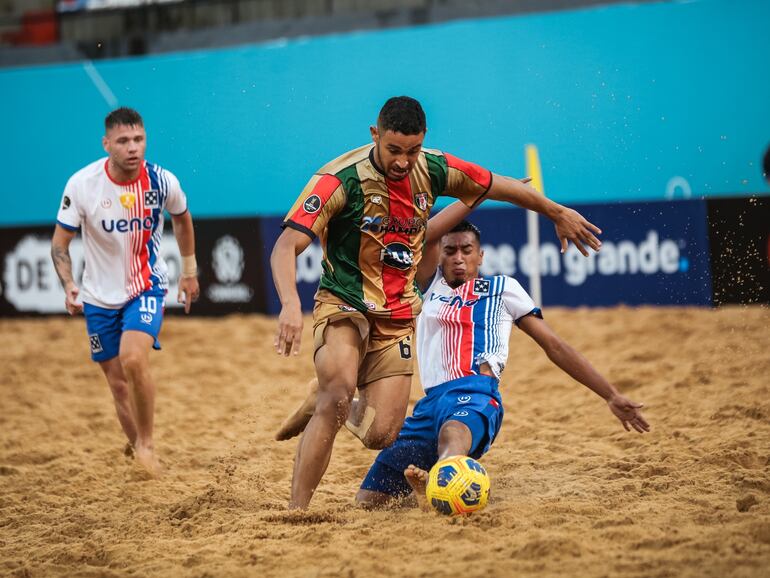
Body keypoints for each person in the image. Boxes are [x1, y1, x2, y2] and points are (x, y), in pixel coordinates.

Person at [270, 96, 603, 509]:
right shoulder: (339, 179)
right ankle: (297, 512)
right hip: (345, 301)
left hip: (396, 314)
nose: (403, 161)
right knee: (337, 392)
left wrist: (556, 212)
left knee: (382, 435)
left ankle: (318, 397)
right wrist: (288, 304)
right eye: (393, 150)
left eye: (412, 151)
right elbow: (286, 246)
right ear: (375, 136)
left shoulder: (433, 167)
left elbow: (501, 185)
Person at [356, 216, 650, 509]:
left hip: (475, 393)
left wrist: (610, 394)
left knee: (453, 434)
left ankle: (438, 479)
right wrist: (477, 191)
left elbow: (554, 345)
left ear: (480, 255)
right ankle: (432, 484)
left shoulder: (503, 288)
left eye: (467, 250)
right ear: (439, 256)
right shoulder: (427, 287)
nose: (459, 258)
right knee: (368, 502)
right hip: (429, 405)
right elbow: (427, 235)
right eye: (450, 251)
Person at [50, 107, 199, 477]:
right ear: (107, 144)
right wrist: (69, 285)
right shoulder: (82, 184)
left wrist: (189, 270)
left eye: (139, 139)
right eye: (123, 141)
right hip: (97, 296)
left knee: (134, 360)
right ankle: (139, 449)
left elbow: (181, 216)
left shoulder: (162, 181)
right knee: (117, 385)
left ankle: (147, 444)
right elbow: (60, 243)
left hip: (146, 286)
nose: (133, 148)